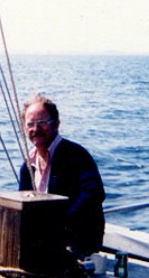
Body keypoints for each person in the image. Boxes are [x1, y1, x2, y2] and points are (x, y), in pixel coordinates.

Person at [19, 93, 105, 258]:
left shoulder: (76, 155)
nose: (35, 130)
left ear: (56, 125)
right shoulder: (28, 166)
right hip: (43, 244)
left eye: (42, 123)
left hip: (77, 245)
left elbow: (94, 193)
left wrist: (62, 225)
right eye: (30, 124)